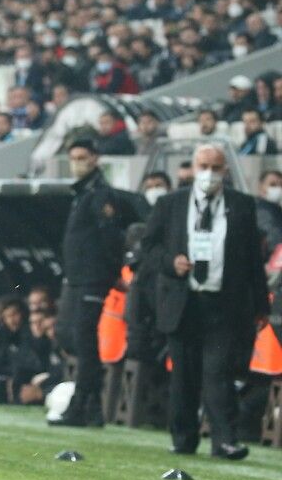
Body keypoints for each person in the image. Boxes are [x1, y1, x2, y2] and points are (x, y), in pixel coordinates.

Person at [141, 144, 267, 459]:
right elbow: (149, 247)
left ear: (226, 170)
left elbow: (253, 258)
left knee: (218, 372)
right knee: (184, 374)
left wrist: (261, 305)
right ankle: (183, 438)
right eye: (204, 165)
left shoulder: (241, 205)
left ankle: (224, 440)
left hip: (224, 303)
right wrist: (172, 262)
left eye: (216, 166)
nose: (209, 173)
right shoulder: (171, 204)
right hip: (183, 301)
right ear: (194, 168)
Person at [51, 138, 140, 427]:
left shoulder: (100, 195)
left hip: (92, 279)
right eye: (73, 157)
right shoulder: (83, 194)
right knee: (79, 337)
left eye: (82, 157)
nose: (77, 162)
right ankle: (91, 409)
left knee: (84, 338)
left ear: (95, 158)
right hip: (80, 278)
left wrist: (113, 272)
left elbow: (110, 236)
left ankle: (83, 404)